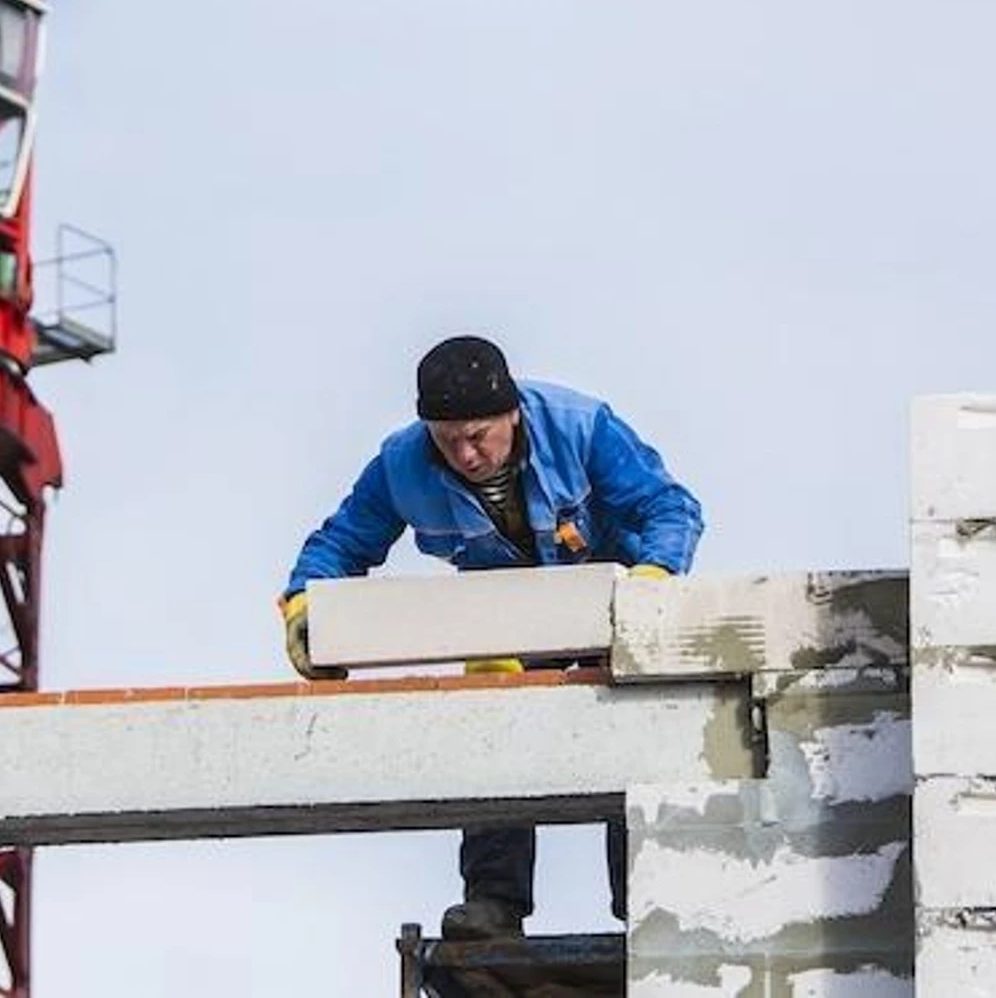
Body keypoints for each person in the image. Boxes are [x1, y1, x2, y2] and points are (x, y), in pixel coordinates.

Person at [278, 335, 704, 940]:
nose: (467, 455)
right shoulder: (402, 463)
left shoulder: (580, 428)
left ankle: (640, 901)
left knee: (626, 737)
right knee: (490, 727)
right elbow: (340, 544)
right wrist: (303, 608)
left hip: (608, 617)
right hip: (503, 626)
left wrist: (652, 583)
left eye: (478, 436)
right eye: (449, 441)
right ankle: (494, 903)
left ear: (512, 414)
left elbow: (670, 507)